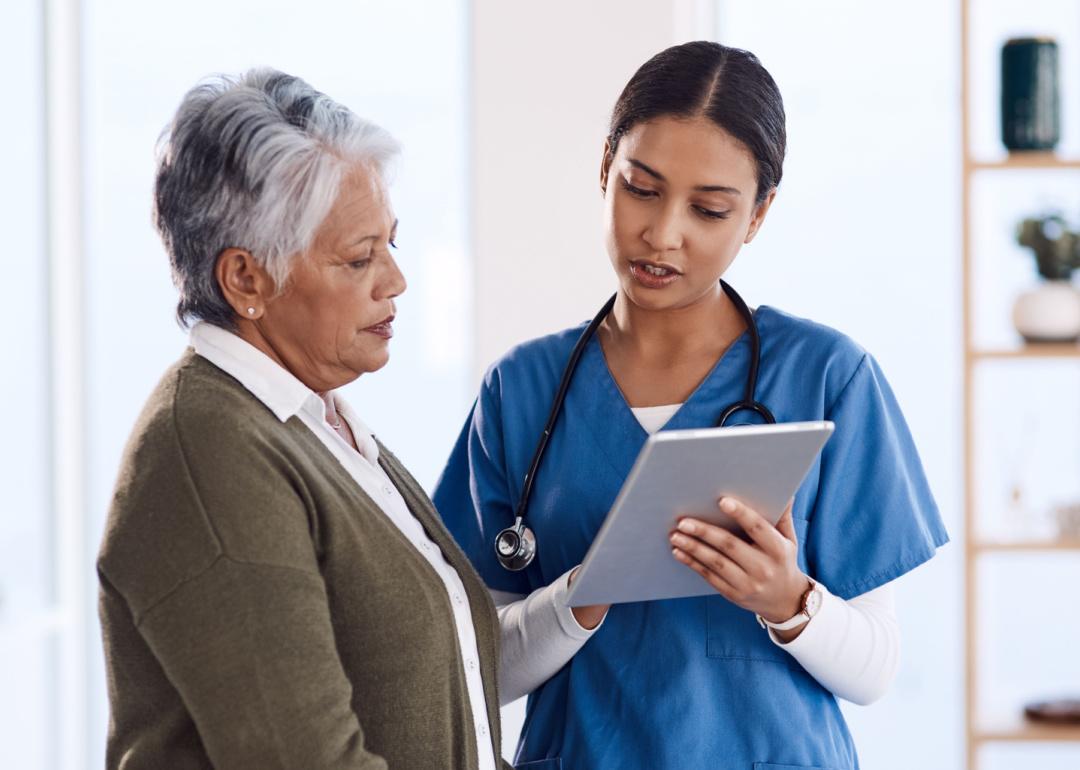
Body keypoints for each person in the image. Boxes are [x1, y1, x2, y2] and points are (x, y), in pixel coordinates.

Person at [434, 41, 949, 769]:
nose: (662, 233)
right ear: (604, 163)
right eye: (640, 188)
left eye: (708, 209)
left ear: (759, 215)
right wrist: (577, 598)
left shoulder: (829, 376)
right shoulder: (521, 391)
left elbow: (876, 668)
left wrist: (787, 599)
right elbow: (474, 667)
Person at [98, 69, 529, 769]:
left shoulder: (317, 424)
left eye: (391, 243)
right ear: (245, 280)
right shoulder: (210, 450)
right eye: (360, 258)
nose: (395, 279)